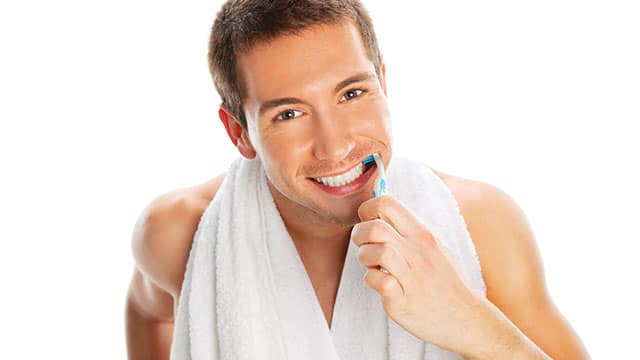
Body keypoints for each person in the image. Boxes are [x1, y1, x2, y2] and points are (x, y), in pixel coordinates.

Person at [125, 0, 590, 358]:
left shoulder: (482, 224)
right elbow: (149, 313)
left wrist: (466, 319)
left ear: (383, 84)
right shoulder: (180, 232)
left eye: (352, 92)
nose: (336, 146)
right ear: (239, 133)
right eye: (289, 113)